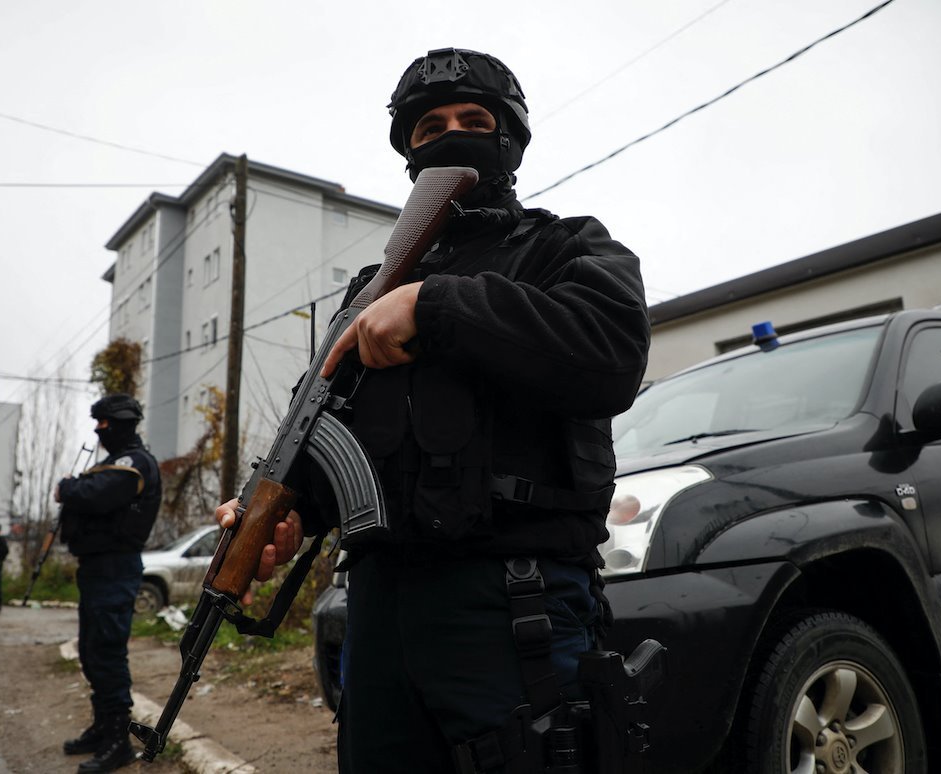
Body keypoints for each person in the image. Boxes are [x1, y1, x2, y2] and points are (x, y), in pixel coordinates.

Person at [218, 47, 650, 773]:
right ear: (408, 153)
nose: (451, 132)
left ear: (507, 139)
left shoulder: (565, 246)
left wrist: (434, 304)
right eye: (429, 126)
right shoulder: (367, 291)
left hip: (513, 604)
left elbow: (610, 354)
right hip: (379, 612)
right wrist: (290, 514)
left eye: (473, 119)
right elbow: (327, 431)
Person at [54, 394, 162, 773]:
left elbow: (97, 496)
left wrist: (67, 489)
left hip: (116, 566)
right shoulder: (114, 461)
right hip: (98, 567)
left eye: (104, 423)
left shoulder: (134, 461)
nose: (99, 430)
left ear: (121, 423)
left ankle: (119, 741)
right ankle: (103, 728)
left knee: (107, 652)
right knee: (91, 650)